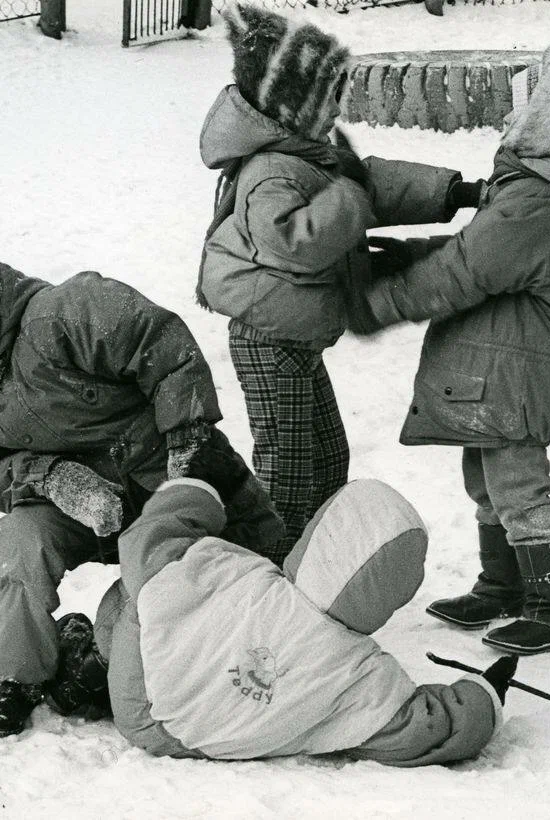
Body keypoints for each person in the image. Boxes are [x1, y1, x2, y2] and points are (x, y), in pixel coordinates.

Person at [0, 226, 284, 738]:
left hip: (168, 482)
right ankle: (22, 675)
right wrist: (51, 477)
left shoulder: (62, 313)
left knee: (215, 609)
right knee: (20, 541)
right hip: (87, 510)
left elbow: (161, 343)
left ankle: (109, 647)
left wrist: (187, 449)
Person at [343, 39, 550, 655]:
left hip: (526, 374)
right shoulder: (534, 189)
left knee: (517, 485)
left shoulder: (537, 199)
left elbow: (468, 269)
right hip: (513, 367)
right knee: (487, 481)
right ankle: (503, 584)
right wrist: (406, 256)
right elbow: (479, 251)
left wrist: (378, 304)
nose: (520, 110)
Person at [195, 3, 484, 566]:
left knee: (327, 457)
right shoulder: (268, 173)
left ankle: (313, 562)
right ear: (291, 104)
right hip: (267, 340)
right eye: (328, 95)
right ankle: (266, 579)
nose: (338, 107)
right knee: (288, 469)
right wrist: (350, 193)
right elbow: (297, 243)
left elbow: (372, 182)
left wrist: (451, 192)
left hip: (296, 339)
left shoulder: (308, 152)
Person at [62, 477, 516, 767]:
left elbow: (152, 541)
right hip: (185, 740)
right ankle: (95, 660)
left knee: (135, 597)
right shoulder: (366, 677)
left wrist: (196, 492)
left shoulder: (239, 576)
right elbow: (429, 728)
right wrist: (485, 695)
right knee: (150, 596)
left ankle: (90, 661)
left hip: (141, 699)